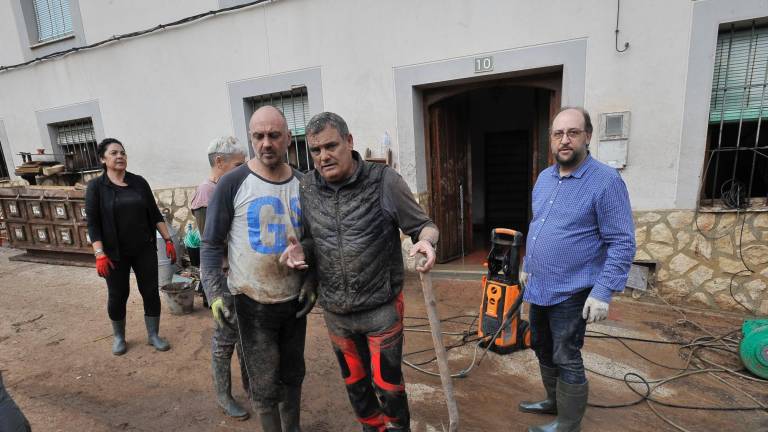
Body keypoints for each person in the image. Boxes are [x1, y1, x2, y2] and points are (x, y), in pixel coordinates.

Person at [281, 111, 439, 432]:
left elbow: (424, 226)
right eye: (315, 150)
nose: (323, 156)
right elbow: (314, 240)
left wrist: (427, 243)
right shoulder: (307, 188)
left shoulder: (384, 181)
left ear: (349, 142)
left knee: (389, 388)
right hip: (337, 313)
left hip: (381, 310)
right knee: (356, 388)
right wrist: (302, 250)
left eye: (330, 146)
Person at [518, 107, 635, 432]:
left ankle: (568, 423)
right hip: (539, 286)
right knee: (540, 344)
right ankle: (554, 401)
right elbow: (539, 225)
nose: (564, 140)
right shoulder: (544, 178)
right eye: (558, 134)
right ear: (551, 140)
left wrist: (603, 292)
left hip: (572, 290)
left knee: (565, 353)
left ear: (587, 136)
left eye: (572, 132)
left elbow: (622, 241)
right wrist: (528, 264)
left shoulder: (606, 181)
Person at [201, 106, 314, 432]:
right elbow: (210, 245)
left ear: (289, 140)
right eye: (259, 136)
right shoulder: (233, 183)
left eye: (274, 136)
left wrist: (311, 282)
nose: (266, 143)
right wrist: (216, 294)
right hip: (251, 303)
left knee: (293, 375)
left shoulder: (304, 185)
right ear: (251, 138)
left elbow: (314, 241)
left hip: (293, 303)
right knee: (264, 385)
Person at [85, 138, 176, 356]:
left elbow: (154, 214)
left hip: (144, 247)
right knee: (118, 294)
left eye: (123, 153)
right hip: (114, 253)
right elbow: (93, 223)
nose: (120, 156)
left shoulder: (139, 182)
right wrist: (99, 253)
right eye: (114, 153)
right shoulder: (96, 187)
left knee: (150, 291)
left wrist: (168, 240)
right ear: (103, 159)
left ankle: (153, 335)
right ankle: (119, 336)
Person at [190, 136, 248, 420]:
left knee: (244, 332)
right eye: (239, 164)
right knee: (226, 335)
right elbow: (211, 241)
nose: (244, 168)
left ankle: (250, 386)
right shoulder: (206, 193)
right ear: (219, 162)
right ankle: (224, 395)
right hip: (221, 277)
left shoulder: (229, 187)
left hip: (240, 273)